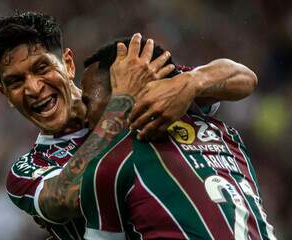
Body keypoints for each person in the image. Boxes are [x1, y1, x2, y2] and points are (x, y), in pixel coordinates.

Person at [0, 11, 268, 239]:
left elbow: (243, 79)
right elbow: (63, 197)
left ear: (68, 64)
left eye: (41, 68)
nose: (33, 88)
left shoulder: (115, 81)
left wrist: (190, 82)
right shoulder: (28, 169)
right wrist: (123, 102)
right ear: (5, 95)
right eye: (16, 82)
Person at [78, 39, 277, 239]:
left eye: (87, 101)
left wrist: (189, 81)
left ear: (123, 86)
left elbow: (245, 77)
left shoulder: (111, 164)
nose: (83, 117)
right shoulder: (225, 134)